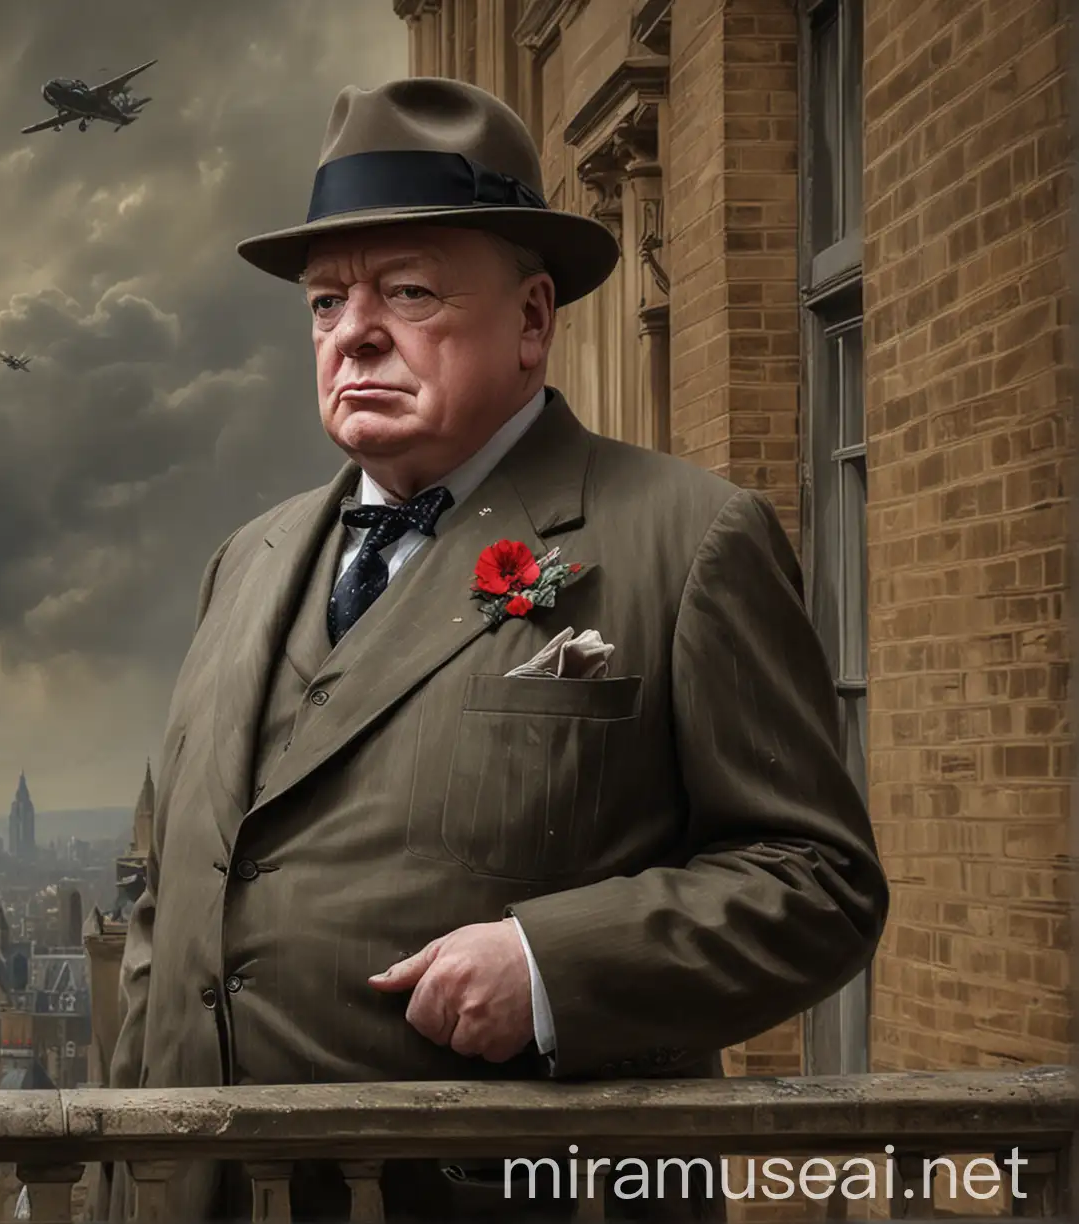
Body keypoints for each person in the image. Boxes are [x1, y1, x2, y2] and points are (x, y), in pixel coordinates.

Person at [104, 77, 888, 1222]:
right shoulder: (246, 559)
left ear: (531, 321)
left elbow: (818, 885)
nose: (352, 331)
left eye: (407, 291)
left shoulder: (687, 538)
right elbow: (161, 892)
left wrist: (552, 967)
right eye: (325, 304)